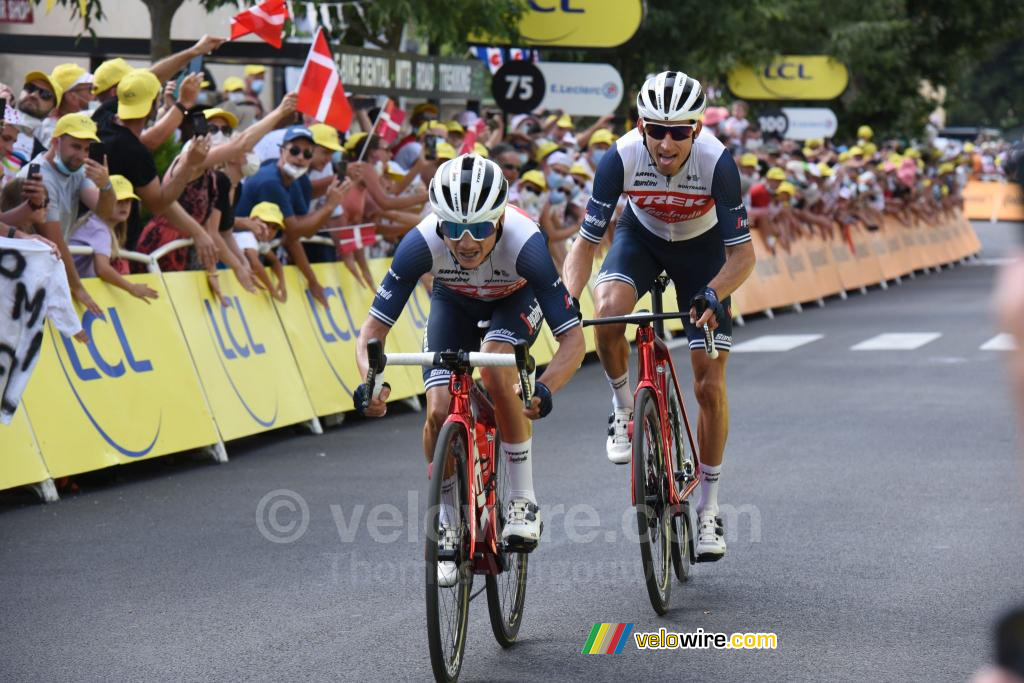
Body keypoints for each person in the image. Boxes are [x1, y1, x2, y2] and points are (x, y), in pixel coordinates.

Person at [353, 154, 585, 581]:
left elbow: (573, 338)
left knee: (498, 370)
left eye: (479, 229)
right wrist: (370, 382)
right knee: (438, 410)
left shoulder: (527, 244)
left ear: (498, 220)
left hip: (513, 301)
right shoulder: (419, 243)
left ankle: (522, 500)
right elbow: (373, 330)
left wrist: (545, 388)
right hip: (453, 303)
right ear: (437, 221)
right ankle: (447, 520)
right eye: (454, 229)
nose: (465, 242)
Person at [563, 71, 756, 562]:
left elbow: (743, 258)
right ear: (641, 125)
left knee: (709, 385)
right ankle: (625, 408)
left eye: (678, 132)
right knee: (607, 312)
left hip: (703, 251)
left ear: (695, 131)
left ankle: (709, 507)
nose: (665, 142)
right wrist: (566, 300)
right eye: (655, 129)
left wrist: (713, 295)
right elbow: (585, 244)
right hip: (642, 239)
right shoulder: (621, 156)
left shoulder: (718, 164)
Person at [69, 175, 159, 302]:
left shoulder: (94, 223)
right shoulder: (99, 229)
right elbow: (102, 269)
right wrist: (131, 288)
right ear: (103, 200)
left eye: (128, 200)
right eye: (118, 200)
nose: (124, 205)